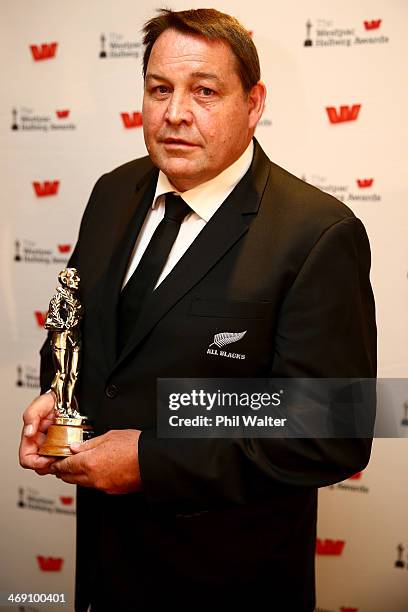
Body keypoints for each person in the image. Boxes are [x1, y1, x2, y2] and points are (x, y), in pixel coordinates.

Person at [19, 8, 376, 612]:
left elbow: (331, 430)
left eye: (204, 91)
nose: (175, 113)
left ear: (254, 102)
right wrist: (60, 391)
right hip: (104, 567)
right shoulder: (113, 191)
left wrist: (149, 462)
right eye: (160, 89)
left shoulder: (318, 234)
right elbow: (77, 327)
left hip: (228, 583)